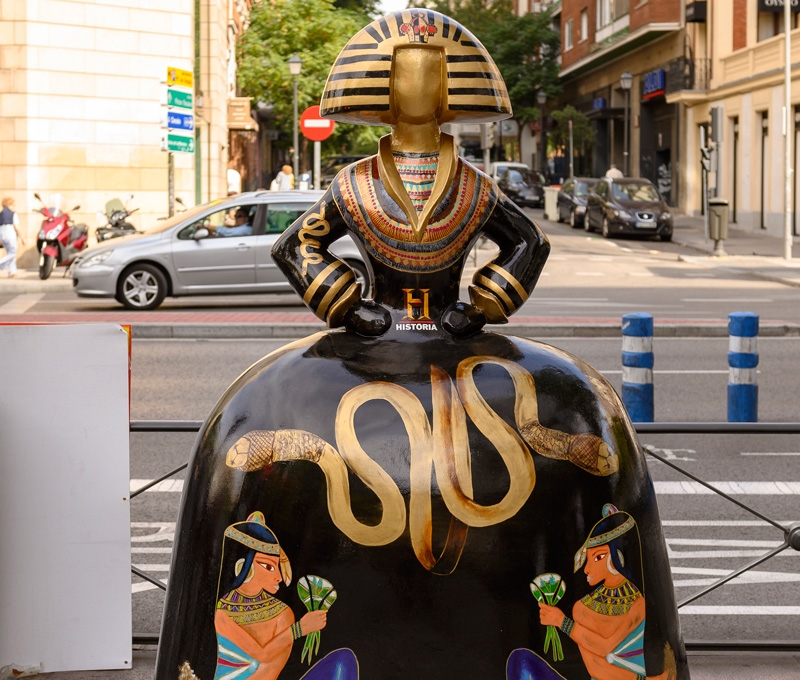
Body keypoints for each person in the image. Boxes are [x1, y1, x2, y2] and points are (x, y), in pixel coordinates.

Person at [507, 504, 675, 680]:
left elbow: (605, 648)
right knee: (521, 661)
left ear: (617, 557)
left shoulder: (636, 605)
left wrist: (562, 622)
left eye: (598, 557)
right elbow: (595, 665)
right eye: (588, 558)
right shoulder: (581, 607)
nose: (587, 569)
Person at [210, 511, 358, 680]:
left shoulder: (282, 613)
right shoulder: (224, 613)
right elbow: (262, 655)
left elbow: (272, 669)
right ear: (243, 566)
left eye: (278, 567)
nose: (279, 577)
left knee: (342, 662)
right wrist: (300, 629)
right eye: (269, 567)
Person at [0, 197, 25, 278]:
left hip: (2, 235)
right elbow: (17, 227)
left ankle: (12, 272)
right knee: (12, 253)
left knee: (10, 253)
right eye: (13, 205)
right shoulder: (12, 213)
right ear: (9, 205)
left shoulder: (1, 214)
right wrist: (22, 238)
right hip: (10, 234)